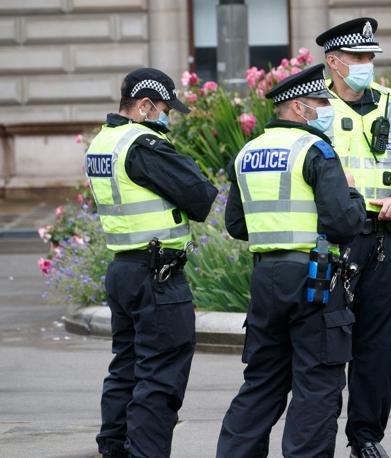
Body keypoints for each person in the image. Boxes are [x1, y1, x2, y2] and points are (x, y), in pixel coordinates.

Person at [217, 63, 370, 456]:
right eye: (321, 101)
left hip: (266, 278)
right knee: (317, 385)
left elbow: (236, 224)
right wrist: (353, 193)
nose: (327, 108)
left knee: (262, 382)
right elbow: (342, 224)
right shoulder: (317, 150)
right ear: (299, 107)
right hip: (313, 281)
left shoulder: (247, 152)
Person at [315, 17, 391, 458]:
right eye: (359, 57)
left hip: (382, 240)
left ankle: (365, 437)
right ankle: (317, 438)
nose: (368, 64)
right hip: (333, 241)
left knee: (376, 345)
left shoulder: (388, 102)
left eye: (371, 57)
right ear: (334, 62)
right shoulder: (314, 107)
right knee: (328, 343)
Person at [85, 68, 219, 458]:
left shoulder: (102, 142)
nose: (168, 118)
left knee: (126, 367)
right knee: (160, 377)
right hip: (157, 277)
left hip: (124, 270)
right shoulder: (143, 145)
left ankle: (114, 449)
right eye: (164, 109)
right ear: (144, 106)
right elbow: (201, 197)